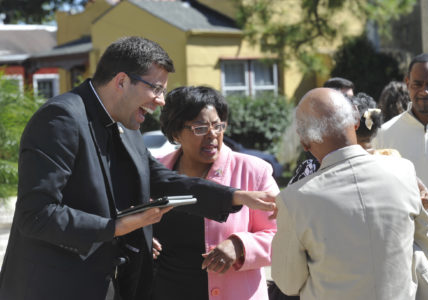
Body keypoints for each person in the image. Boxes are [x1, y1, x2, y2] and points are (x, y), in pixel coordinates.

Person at [0, 37, 276, 300]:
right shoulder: (61, 118)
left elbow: (161, 180)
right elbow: (36, 215)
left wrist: (235, 197)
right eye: (155, 88)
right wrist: (115, 227)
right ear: (122, 81)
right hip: (54, 288)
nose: (161, 100)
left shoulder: (126, 123)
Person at [271, 87, 428, 299]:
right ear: (356, 121)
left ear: (304, 142)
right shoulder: (403, 171)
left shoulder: (294, 200)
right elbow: (425, 241)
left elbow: (288, 282)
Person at [150, 86, 279, 300]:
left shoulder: (253, 171)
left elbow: (283, 235)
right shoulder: (157, 171)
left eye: (218, 126)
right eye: (200, 128)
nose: (212, 135)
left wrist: (240, 245)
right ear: (175, 133)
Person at [373, 53, 428, 283]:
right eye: (417, 84)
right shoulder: (384, 135)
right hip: (406, 253)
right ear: (407, 83)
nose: (424, 91)